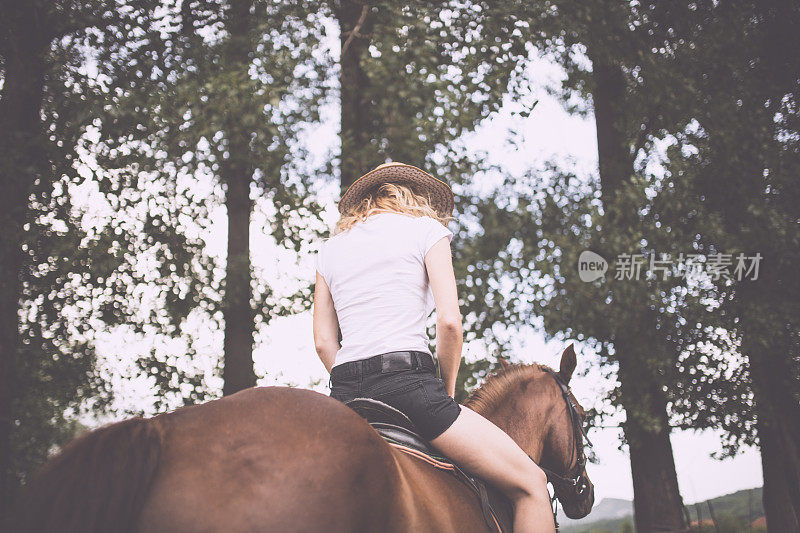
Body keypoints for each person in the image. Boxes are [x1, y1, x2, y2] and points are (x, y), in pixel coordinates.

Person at [312, 162, 555, 533]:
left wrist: (355, 384)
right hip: (410, 386)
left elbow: (324, 341)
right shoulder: (428, 230)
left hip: (345, 395)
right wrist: (447, 391)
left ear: (366, 199)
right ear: (416, 194)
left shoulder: (330, 250)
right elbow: (450, 323)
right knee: (532, 485)